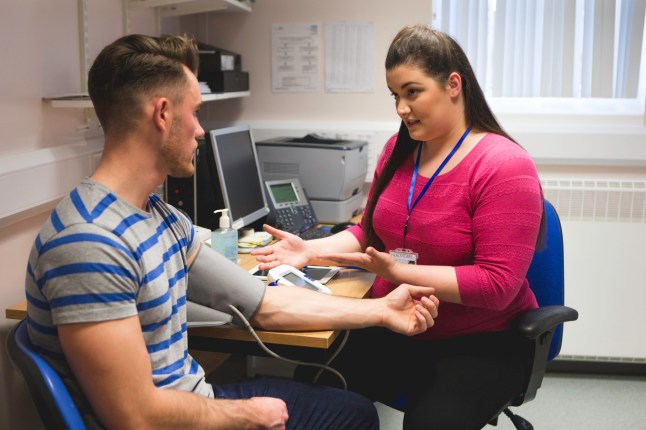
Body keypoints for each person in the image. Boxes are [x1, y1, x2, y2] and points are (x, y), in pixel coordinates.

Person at [24, 33, 440, 430]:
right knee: (353, 417)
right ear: (163, 113)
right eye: (196, 113)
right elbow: (135, 418)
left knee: (351, 410)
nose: (201, 130)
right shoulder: (89, 243)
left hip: (191, 400)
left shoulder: (161, 217)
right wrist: (249, 416)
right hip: (163, 419)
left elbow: (261, 304)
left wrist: (382, 311)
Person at [252, 24, 544, 430]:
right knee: (313, 394)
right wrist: (310, 250)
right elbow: (370, 233)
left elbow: (498, 285)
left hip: (481, 340)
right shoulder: (398, 149)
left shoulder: (504, 166)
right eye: (395, 95)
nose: (401, 108)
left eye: (412, 92)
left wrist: (397, 272)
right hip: (397, 322)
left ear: (453, 85)